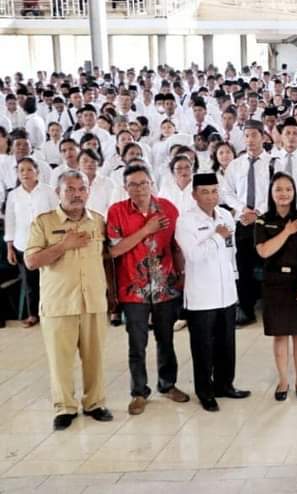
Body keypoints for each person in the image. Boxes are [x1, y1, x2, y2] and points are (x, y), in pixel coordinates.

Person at [25, 171, 113, 430]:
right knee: (60, 360)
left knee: (95, 357)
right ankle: (65, 407)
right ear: (58, 193)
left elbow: (107, 258)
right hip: (59, 303)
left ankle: (95, 403)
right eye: (70, 189)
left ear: (88, 191)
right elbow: (31, 261)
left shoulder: (98, 221)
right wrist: (64, 245)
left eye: (81, 189)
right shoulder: (43, 222)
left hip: (93, 301)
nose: (77, 194)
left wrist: (111, 293)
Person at [106, 164, 190, 415]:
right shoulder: (117, 211)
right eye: (133, 184)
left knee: (166, 339)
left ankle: (168, 384)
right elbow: (114, 250)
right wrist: (146, 230)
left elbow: (177, 245)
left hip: (166, 287)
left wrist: (182, 277)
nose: (140, 189)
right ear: (125, 188)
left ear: (152, 184)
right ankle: (139, 392)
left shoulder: (168, 208)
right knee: (137, 343)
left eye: (144, 183)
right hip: (133, 289)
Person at [176, 173, 252, 412]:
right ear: (194, 195)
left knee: (226, 343)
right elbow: (193, 256)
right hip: (202, 294)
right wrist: (217, 237)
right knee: (203, 347)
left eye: (214, 191)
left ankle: (225, 385)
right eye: (205, 192)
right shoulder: (186, 221)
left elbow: (232, 251)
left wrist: (234, 280)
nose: (211, 197)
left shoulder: (226, 215)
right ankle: (205, 392)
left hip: (226, 291)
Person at [255, 172, 297, 401]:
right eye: (278, 189)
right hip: (274, 283)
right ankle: (283, 380)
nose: (283, 193)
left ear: (294, 192)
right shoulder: (263, 220)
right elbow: (264, 251)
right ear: (271, 193)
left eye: (288, 189)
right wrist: (286, 231)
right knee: (280, 334)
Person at [220, 120, 273, 327]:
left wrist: (258, 212)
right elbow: (227, 192)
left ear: (263, 137)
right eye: (247, 136)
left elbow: (275, 192)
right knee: (244, 266)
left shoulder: (272, 163)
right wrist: (243, 209)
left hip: (266, 221)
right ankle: (247, 309)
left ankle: (272, 307)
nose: (250, 140)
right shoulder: (236, 165)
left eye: (254, 135)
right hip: (243, 220)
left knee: (269, 264)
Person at [5, 157, 58, 328]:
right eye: (21, 170)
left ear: (37, 172)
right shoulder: (13, 195)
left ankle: (52, 311)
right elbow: (10, 221)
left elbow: (56, 215)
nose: (25, 173)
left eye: (29, 169)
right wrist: (10, 247)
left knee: (51, 279)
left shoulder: (48, 191)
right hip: (23, 244)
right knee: (29, 282)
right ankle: (33, 314)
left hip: (47, 243)